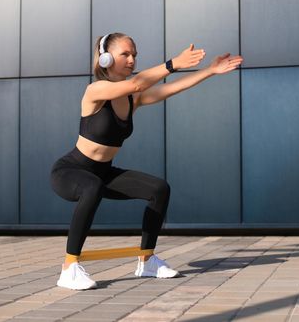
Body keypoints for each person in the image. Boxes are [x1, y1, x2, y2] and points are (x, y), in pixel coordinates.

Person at [50, 32, 243, 290]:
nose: (132, 60)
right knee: (91, 187)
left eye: (134, 55)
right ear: (106, 59)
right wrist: (173, 63)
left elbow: (171, 88)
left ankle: (147, 260)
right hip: (71, 171)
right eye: (125, 54)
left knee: (158, 189)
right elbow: (138, 84)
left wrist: (209, 70)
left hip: (103, 172)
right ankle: (69, 267)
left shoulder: (133, 98)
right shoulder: (96, 90)